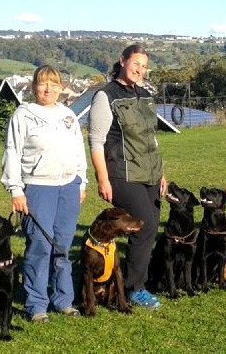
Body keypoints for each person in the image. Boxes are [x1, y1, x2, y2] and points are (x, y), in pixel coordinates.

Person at [1, 65, 87, 322]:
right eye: (42, 83)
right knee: (39, 245)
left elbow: (78, 150)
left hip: (68, 187)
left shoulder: (68, 115)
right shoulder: (23, 114)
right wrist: (16, 190)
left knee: (62, 245)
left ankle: (63, 300)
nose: (48, 89)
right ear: (34, 86)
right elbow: (12, 152)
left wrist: (81, 183)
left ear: (61, 87)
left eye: (54, 84)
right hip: (37, 188)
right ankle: (36, 304)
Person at [88, 44, 166, 309]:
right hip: (122, 174)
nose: (140, 70)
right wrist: (102, 178)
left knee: (151, 226)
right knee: (143, 225)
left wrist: (161, 172)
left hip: (150, 173)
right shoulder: (105, 96)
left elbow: (151, 138)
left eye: (144, 66)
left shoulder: (145, 95)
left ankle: (138, 280)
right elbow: (96, 140)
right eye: (136, 63)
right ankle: (134, 288)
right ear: (122, 61)